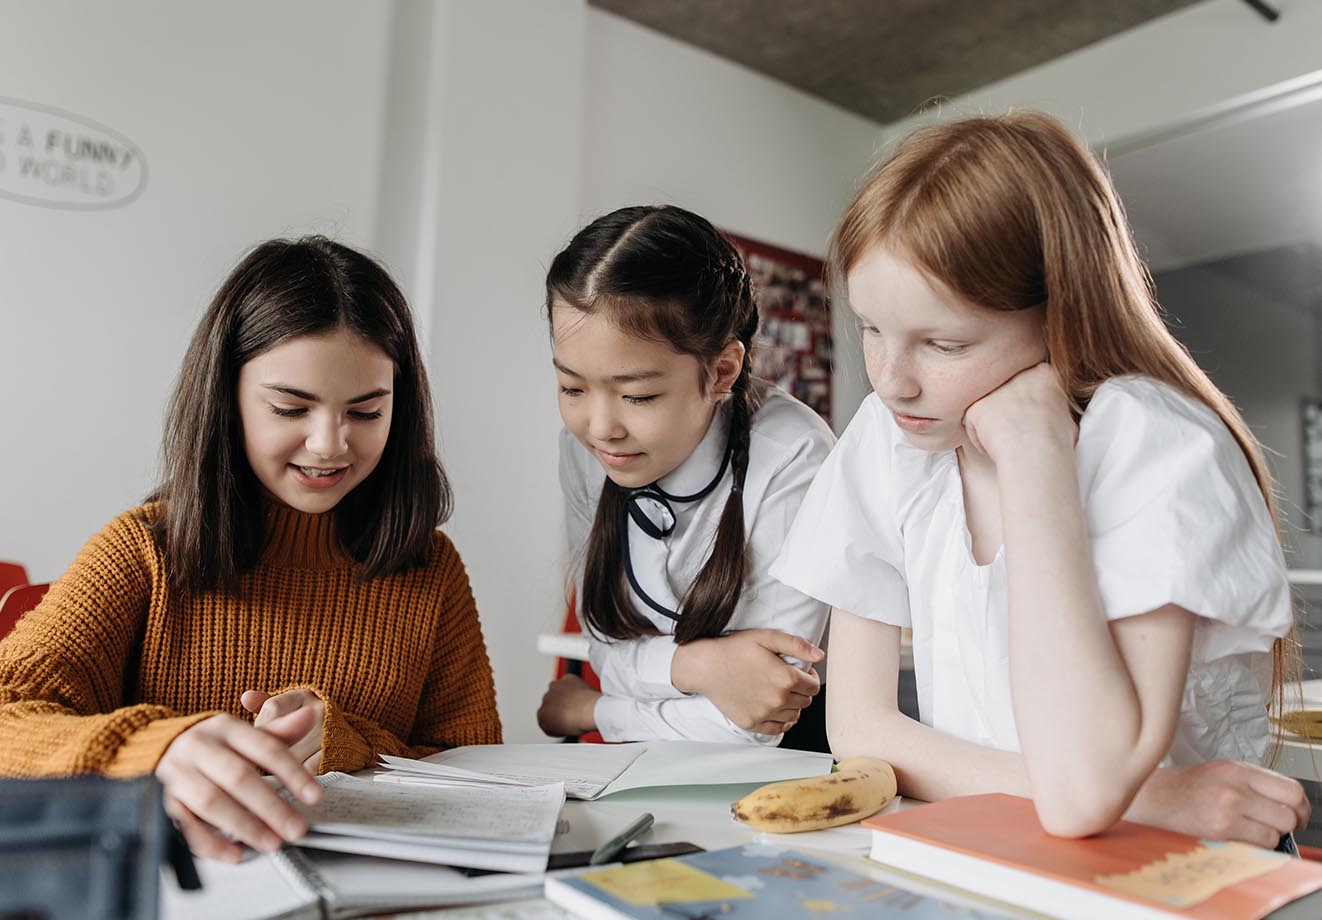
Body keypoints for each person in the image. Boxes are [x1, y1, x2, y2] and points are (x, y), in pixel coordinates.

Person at [771, 111, 1311, 846]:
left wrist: (1034, 454)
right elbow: (862, 731)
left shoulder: (1155, 444)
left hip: (1184, 866)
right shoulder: (885, 441)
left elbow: (1081, 792)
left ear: (1061, 310)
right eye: (870, 328)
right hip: (1011, 847)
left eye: (943, 342)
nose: (892, 383)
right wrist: (1155, 798)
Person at [0, 236, 501, 862]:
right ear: (228, 399)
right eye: (291, 407)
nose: (328, 445)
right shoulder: (144, 551)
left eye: (367, 412)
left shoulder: (429, 567)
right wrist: (156, 748)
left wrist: (343, 743)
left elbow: (478, 769)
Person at [536, 205, 835, 748]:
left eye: (638, 396)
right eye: (572, 388)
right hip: (640, 767)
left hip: (777, 770)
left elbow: (757, 719)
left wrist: (593, 711)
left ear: (722, 371)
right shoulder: (582, 452)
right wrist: (700, 669)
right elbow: (604, 643)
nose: (601, 429)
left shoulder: (794, 454)